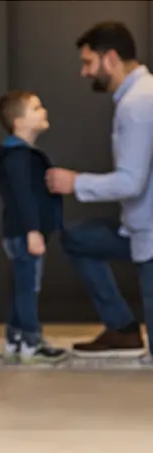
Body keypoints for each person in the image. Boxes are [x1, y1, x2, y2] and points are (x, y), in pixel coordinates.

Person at [46, 21, 153, 358]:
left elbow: (131, 183)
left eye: (88, 62)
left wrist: (74, 182)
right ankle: (122, 329)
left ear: (110, 59)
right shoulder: (137, 97)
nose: (84, 72)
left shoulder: (138, 103)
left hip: (150, 232)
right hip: (136, 225)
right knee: (78, 237)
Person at [0, 90, 67, 363]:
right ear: (19, 122)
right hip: (25, 233)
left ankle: (15, 339)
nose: (44, 111)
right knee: (28, 288)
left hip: (19, 232)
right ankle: (31, 342)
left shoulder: (17, 156)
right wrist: (33, 231)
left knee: (22, 286)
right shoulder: (18, 158)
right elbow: (23, 196)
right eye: (36, 108)